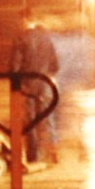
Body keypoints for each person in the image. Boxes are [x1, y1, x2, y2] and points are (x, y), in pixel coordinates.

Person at [10, 18, 60, 164]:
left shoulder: (21, 38)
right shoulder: (47, 39)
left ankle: (34, 156)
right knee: (45, 117)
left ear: (25, 20)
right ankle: (52, 151)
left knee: (30, 121)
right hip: (44, 84)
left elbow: (15, 65)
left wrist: (15, 82)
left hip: (27, 84)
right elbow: (55, 65)